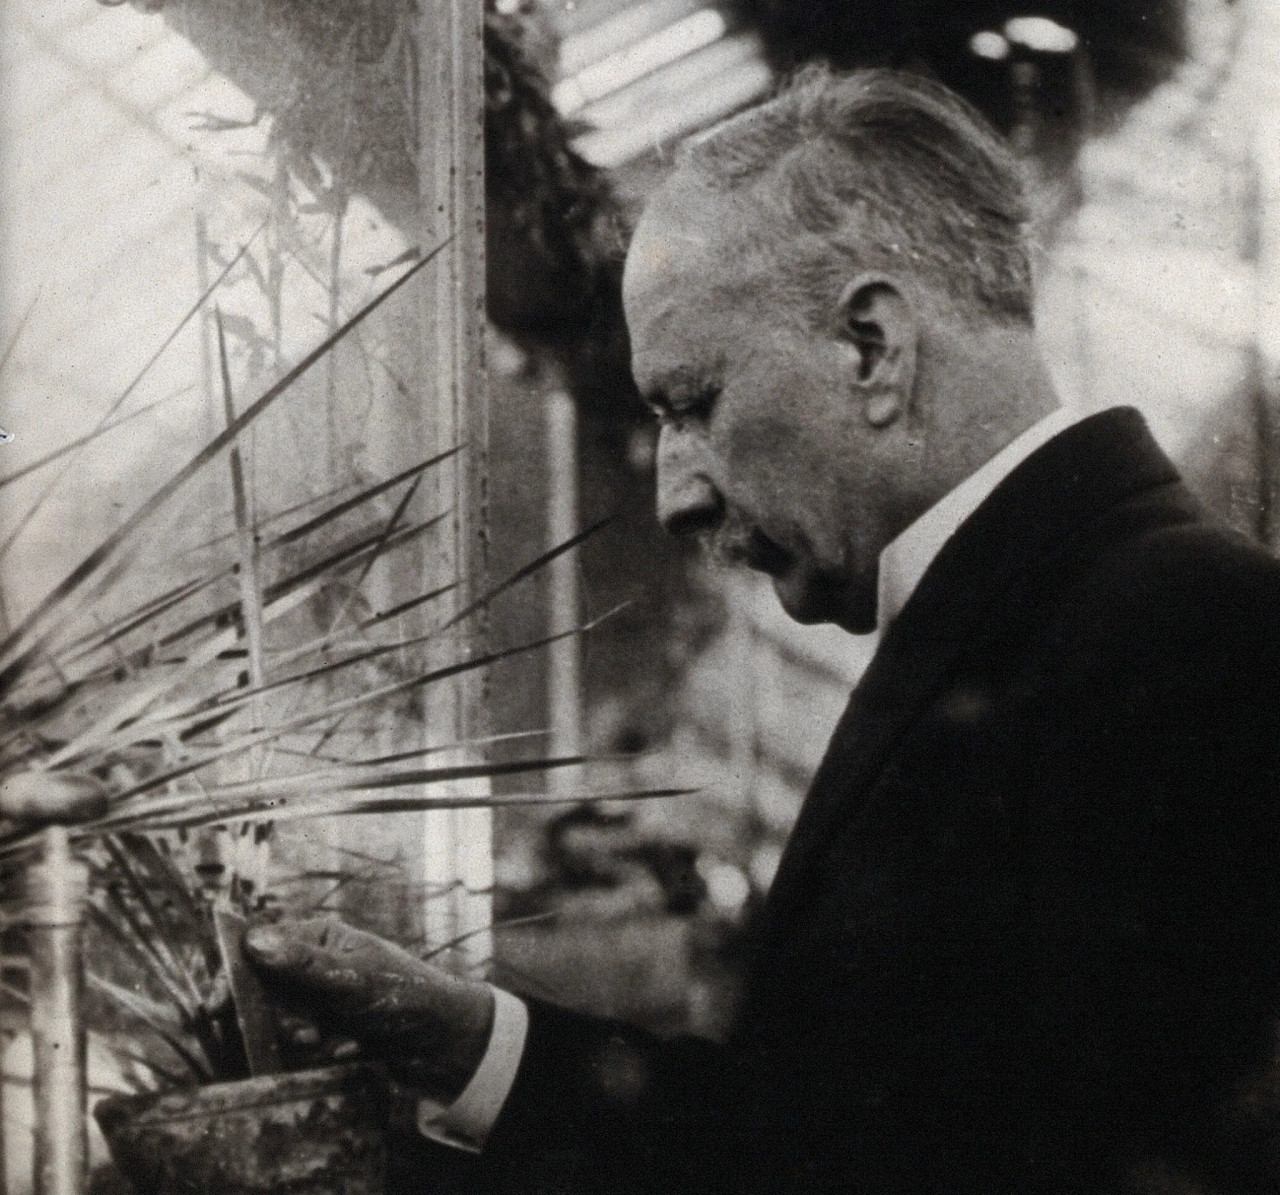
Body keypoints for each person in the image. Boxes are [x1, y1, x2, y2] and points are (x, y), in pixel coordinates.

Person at [246, 68, 1280, 1193]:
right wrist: (465, 1041)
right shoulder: (1060, 617)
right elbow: (845, 1137)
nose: (674, 497)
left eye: (693, 404)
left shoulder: (1198, 643)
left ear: (872, 348)